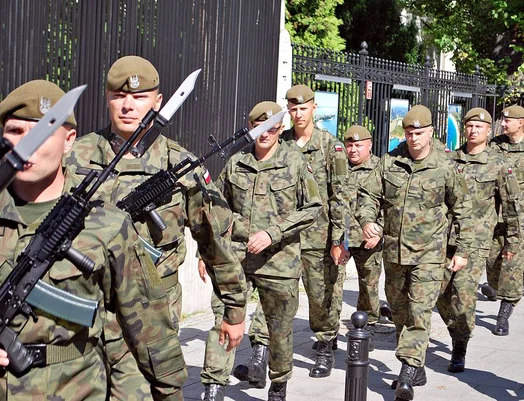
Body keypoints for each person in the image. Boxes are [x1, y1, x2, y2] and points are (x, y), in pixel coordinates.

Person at [65, 56, 247, 399]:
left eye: (139, 97)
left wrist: (234, 309)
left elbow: (214, 242)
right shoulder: (76, 156)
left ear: (159, 102)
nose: (128, 106)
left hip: (152, 317)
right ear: (107, 98)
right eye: (119, 96)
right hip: (84, 310)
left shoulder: (179, 164)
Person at [0, 79, 186, 400]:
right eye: (15, 131)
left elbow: (151, 331)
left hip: (74, 387)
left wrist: (169, 392)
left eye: (42, 131)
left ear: (69, 140)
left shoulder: (105, 224)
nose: (26, 144)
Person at [200, 101, 322, 401]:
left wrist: (273, 233)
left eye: (271, 127)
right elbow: (215, 208)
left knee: (279, 329)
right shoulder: (236, 163)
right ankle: (214, 386)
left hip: (280, 262)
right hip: (236, 259)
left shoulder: (295, 162)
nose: (265, 133)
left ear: (280, 128)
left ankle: (278, 385)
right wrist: (205, 254)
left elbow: (313, 208)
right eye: (258, 127)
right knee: (223, 319)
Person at [357, 105, 474, 401]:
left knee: (419, 311)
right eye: (409, 133)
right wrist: (368, 220)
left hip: (429, 255)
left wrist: (462, 251)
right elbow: (369, 194)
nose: (413, 139)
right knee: (398, 310)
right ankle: (416, 364)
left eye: (419, 133)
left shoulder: (445, 166)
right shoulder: (390, 161)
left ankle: (408, 371)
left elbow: (464, 211)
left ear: (431, 132)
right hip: (395, 254)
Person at [233, 85, 350, 380]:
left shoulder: (330, 146)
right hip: (280, 242)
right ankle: (260, 355)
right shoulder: (278, 141)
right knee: (271, 300)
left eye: (303, 108)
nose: (298, 113)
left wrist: (339, 239)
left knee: (320, 297)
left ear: (313, 108)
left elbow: (340, 195)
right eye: (293, 108)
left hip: (317, 238)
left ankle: (324, 346)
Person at [436, 108, 521, 373]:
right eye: (470, 126)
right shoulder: (450, 160)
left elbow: (511, 206)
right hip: (445, 238)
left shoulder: (497, 164)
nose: (473, 131)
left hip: (476, 242)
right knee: (439, 293)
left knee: (463, 295)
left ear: (488, 131)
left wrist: (512, 243)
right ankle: (456, 330)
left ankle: (459, 347)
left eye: (479, 127)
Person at [482, 105, 524, 335]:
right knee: (492, 264)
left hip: (521, 217)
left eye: (507, 120)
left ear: (521, 123)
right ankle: (496, 289)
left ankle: (503, 315)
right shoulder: (494, 145)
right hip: (495, 214)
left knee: (511, 265)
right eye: (502, 119)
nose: (502, 123)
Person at [343, 125, 383, 326]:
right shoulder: (339, 167)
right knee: (331, 285)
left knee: (369, 284)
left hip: (368, 237)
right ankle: (328, 330)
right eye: (349, 145)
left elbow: (387, 204)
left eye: (358, 145)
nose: (353, 150)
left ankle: (369, 324)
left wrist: (378, 231)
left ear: (370, 145)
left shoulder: (380, 168)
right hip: (340, 237)